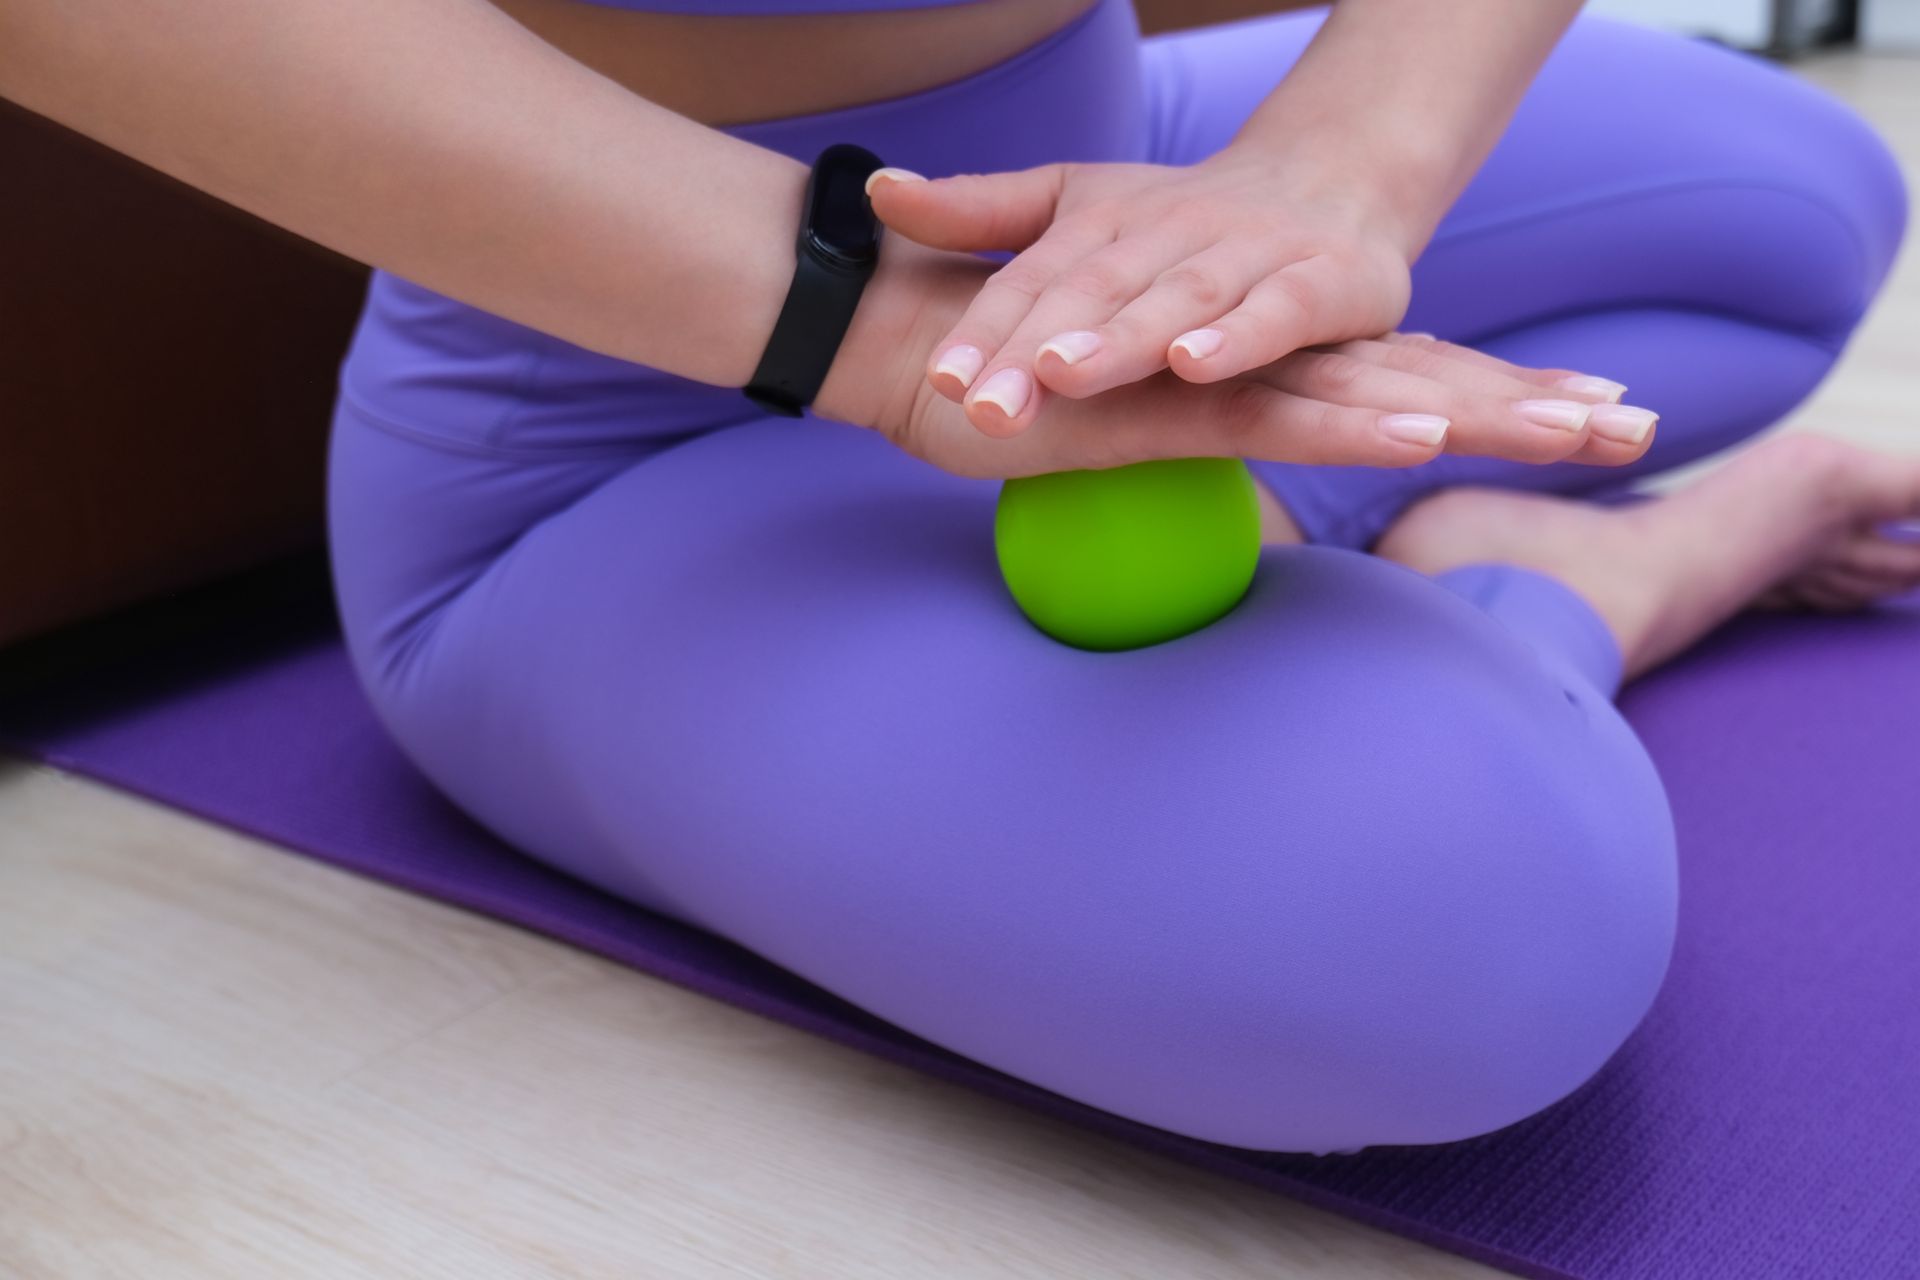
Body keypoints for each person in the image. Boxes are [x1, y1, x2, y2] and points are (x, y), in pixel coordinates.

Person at [3, 0, 1907, 1152]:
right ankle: (1561, 579)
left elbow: (1388, 147)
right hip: (630, 427)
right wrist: (875, 333)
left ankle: (1252, 476)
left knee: (1791, 211)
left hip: (1084, 188)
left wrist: (1338, 177)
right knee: (1489, 925)